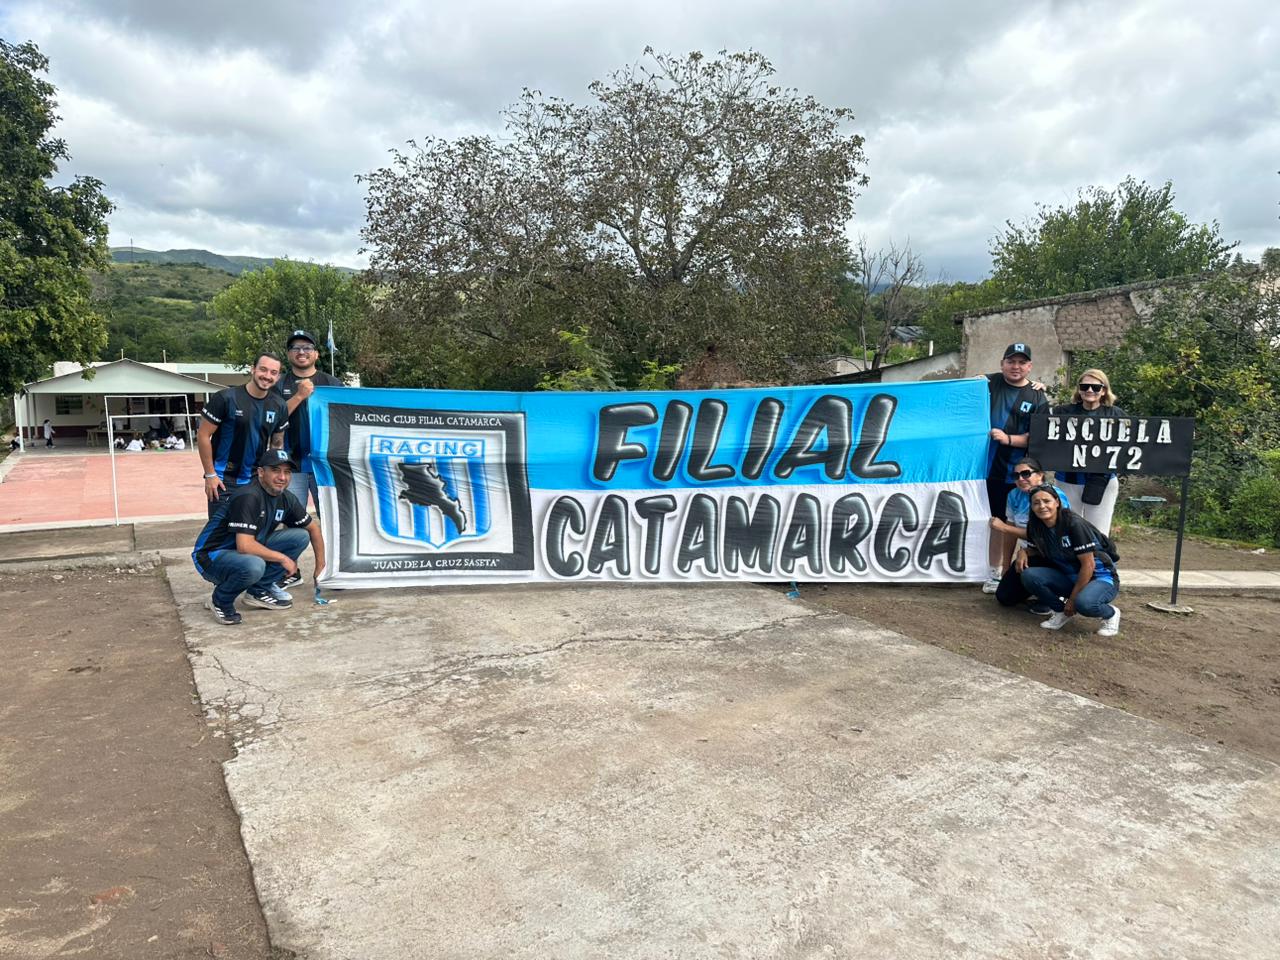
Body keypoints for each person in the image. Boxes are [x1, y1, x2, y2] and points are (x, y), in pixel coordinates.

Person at [191, 448, 326, 625]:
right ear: (261, 472)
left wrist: (320, 568)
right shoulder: (249, 496)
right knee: (255, 565)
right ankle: (220, 600)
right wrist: (283, 558)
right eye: (276, 470)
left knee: (300, 536)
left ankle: (259, 591)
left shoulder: (286, 498)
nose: (282, 477)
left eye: (287, 472)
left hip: (243, 551)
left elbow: (313, 529)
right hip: (210, 557)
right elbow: (245, 546)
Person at [982, 343, 1048, 592]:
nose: (1016, 367)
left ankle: (1005, 573)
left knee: (1010, 523)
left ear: (1029, 367)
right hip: (980, 469)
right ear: (1002, 364)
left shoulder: (1037, 396)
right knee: (990, 520)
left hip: (1014, 472)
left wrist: (1008, 439)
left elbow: (1038, 437)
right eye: (1011, 361)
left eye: (1021, 362)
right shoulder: (988, 383)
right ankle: (991, 571)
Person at [1016, 484, 1121, 637]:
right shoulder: (1036, 526)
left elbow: (1088, 565)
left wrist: (1072, 600)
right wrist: (1023, 551)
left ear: (1057, 502)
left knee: (1084, 604)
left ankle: (1110, 613)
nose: (1042, 506)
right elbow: (1041, 550)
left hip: (1100, 577)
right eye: (1036, 503)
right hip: (1071, 577)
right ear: (1031, 507)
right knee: (1029, 575)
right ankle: (1060, 612)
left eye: (1047, 501)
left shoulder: (1073, 524)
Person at [197, 352, 289, 518]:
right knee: (220, 532)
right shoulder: (225, 398)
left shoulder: (279, 405)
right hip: (222, 480)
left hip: (255, 481)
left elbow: (277, 445)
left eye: (273, 372)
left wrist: (272, 476)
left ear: (278, 377)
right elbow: (203, 435)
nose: (267, 376)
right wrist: (210, 474)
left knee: (250, 530)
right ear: (252, 369)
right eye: (263, 369)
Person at [989, 456, 1070, 613]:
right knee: (1004, 597)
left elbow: (1050, 535)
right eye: (1016, 475)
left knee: (1033, 575)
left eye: (1026, 474)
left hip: (1055, 554)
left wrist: (1005, 528)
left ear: (1040, 475)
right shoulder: (1013, 495)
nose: (1021, 479)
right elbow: (1010, 534)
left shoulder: (1054, 495)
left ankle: (1058, 596)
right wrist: (1006, 566)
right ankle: (1035, 588)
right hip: (1030, 554)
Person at [274, 329, 342, 514]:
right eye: (295, 348)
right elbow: (273, 419)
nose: (301, 352)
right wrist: (299, 396)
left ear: (316, 354)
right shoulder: (279, 384)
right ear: (289, 354)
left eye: (307, 347)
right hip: (291, 465)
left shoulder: (332, 383)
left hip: (325, 464)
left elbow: (344, 421)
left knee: (331, 518)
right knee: (291, 517)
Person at [1053, 368, 1127, 535]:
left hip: (1102, 480)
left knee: (1098, 531)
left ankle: (1097, 553)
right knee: (1068, 528)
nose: (1090, 390)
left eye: (1096, 387)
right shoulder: (1062, 412)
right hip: (1068, 479)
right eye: (1085, 386)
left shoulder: (1116, 414)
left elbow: (1130, 442)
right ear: (1079, 389)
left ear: (1104, 390)